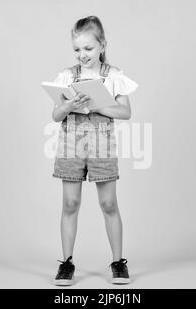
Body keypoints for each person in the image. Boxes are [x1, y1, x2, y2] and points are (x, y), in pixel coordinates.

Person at [50, 15, 138, 286]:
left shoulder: (114, 76)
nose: (82, 54)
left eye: (88, 48)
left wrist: (98, 105)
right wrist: (68, 105)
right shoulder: (67, 76)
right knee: (70, 203)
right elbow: (56, 115)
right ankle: (66, 263)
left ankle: (118, 262)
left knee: (109, 203)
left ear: (102, 45)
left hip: (101, 145)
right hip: (71, 145)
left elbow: (125, 111)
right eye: (77, 49)